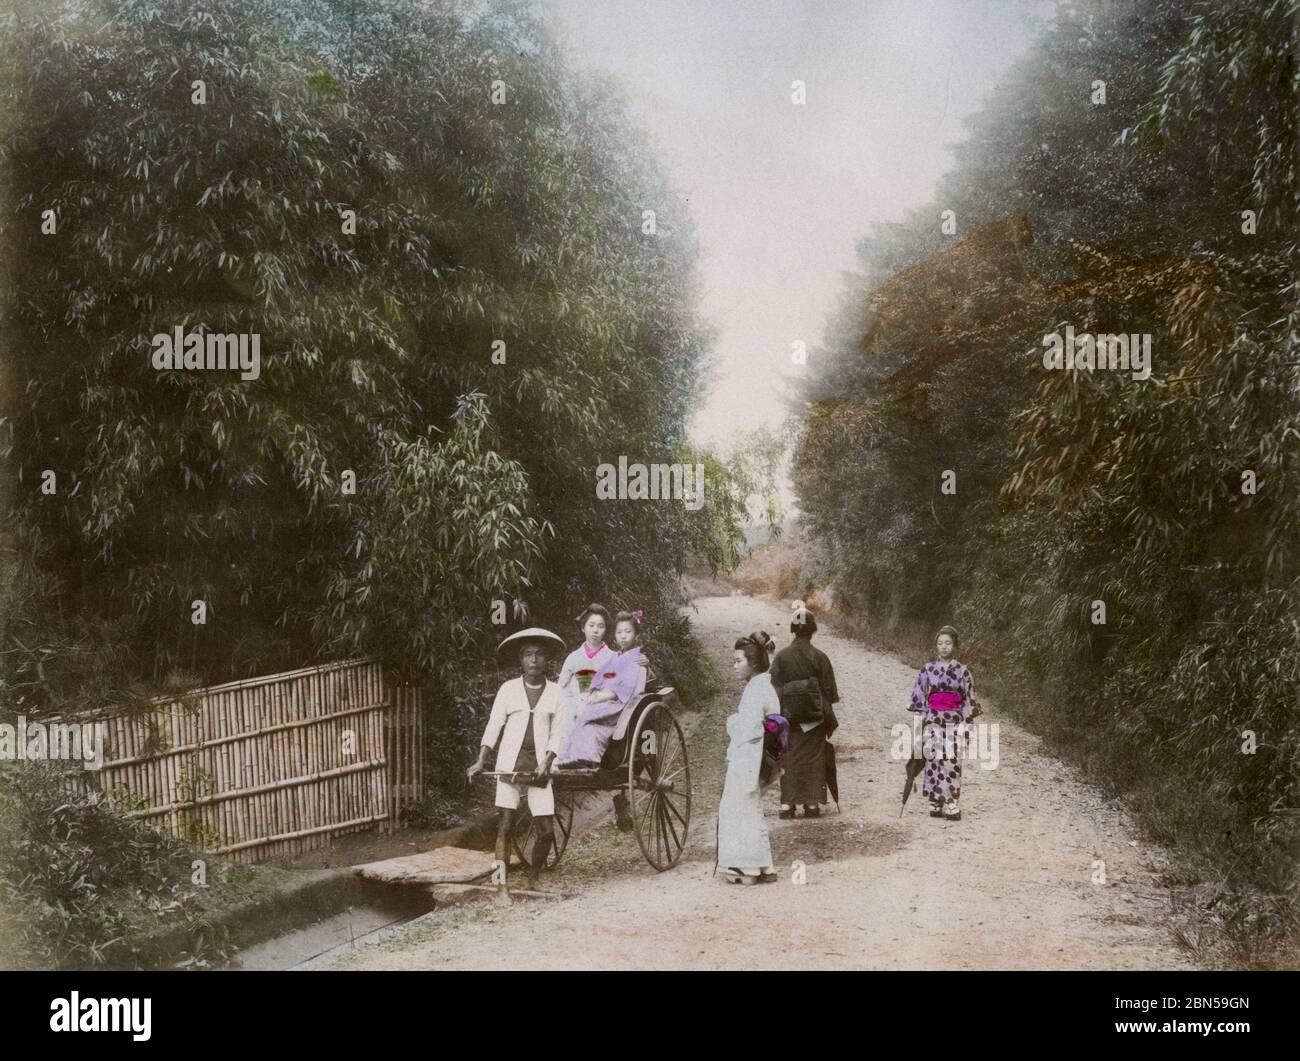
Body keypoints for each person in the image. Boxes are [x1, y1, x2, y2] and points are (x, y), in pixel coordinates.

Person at [467, 628, 567, 889]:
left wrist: (547, 760)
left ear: (547, 660)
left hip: (540, 768)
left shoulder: (556, 693)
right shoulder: (508, 690)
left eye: (539, 655)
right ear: (521, 660)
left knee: (546, 830)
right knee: (506, 825)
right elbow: (493, 726)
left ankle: (533, 877)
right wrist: (481, 761)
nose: (534, 660)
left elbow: (558, 733)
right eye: (528, 655)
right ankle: (501, 884)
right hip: (509, 765)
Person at [556, 610, 647, 830]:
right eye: (620, 632)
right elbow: (593, 680)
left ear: (636, 635)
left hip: (619, 704)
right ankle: (571, 758)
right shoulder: (612, 657)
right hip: (594, 699)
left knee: (587, 718)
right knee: (578, 717)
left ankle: (586, 759)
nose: (623, 636)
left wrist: (600, 696)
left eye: (628, 632)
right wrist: (593, 693)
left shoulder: (634, 659)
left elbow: (622, 687)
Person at [717, 630, 780, 885]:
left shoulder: (757, 690)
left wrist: (731, 722)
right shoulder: (762, 685)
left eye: (738, 661)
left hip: (749, 756)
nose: (734, 666)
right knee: (749, 809)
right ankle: (762, 865)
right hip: (756, 754)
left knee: (737, 808)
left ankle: (749, 867)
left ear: (753, 663)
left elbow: (750, 730)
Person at [768, 608, 840, 819]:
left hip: (789, 719)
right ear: (812, 631)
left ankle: (787, 805)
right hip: (815, 719)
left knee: (788, 755)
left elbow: (774, 689)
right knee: (814, 756)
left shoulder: (781, 657)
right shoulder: (820, 657)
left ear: (793, 630)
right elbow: (830, 693)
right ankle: (811, 803)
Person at [907, 624, 980, 822]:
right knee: (933, 760)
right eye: (940, 643)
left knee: (952, 761)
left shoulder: (963, 671)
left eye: (948, 643)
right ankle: (935, 800)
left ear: (954, 645)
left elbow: (969, 699)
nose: (944, 647)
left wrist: (967, 721)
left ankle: (951, 802)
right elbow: (920, 695)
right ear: (936, 646)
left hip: (954, 721)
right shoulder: (927, 669)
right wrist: (920, 718)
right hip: (933, 720)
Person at [556, 604, 614, 749]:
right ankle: (559, 760)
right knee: (564, 718)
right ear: (583, 627)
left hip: (602, 705)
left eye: (601, 626)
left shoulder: (612, 657)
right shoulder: (573, 657)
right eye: (591, 625)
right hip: (574, 705)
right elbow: (561, 687)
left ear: (605, 629)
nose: (595, 630)